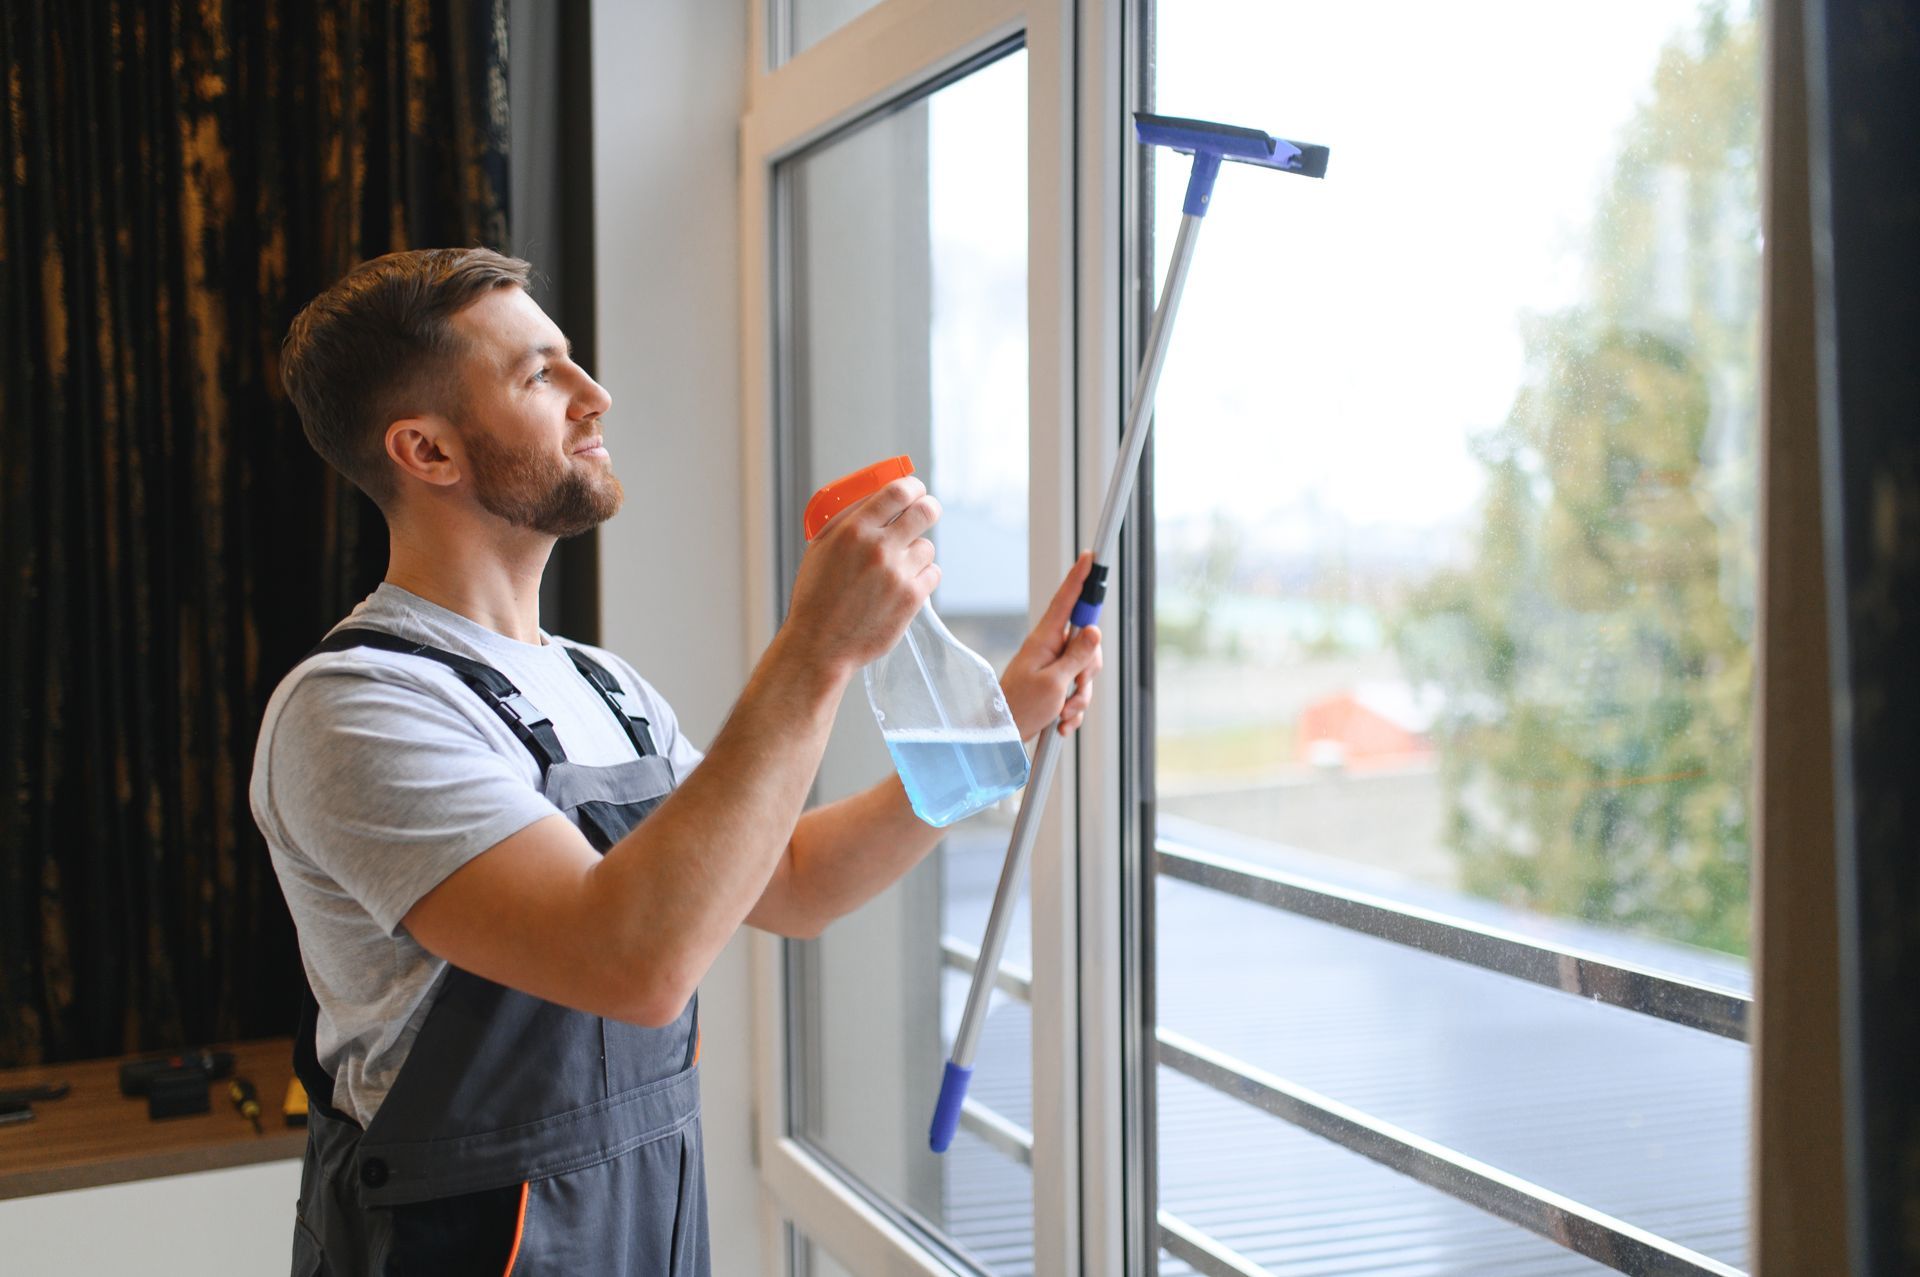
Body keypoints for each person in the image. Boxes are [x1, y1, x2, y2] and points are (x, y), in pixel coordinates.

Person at [249, 246, 1103, 1275]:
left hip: (645, 1223)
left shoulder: (604, 686)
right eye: (539, 374)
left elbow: (793, 879)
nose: (594, 394)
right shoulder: (354, 707)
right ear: (427, 450)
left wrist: (1001, 721)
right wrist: (817, 650)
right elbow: (632, 960)